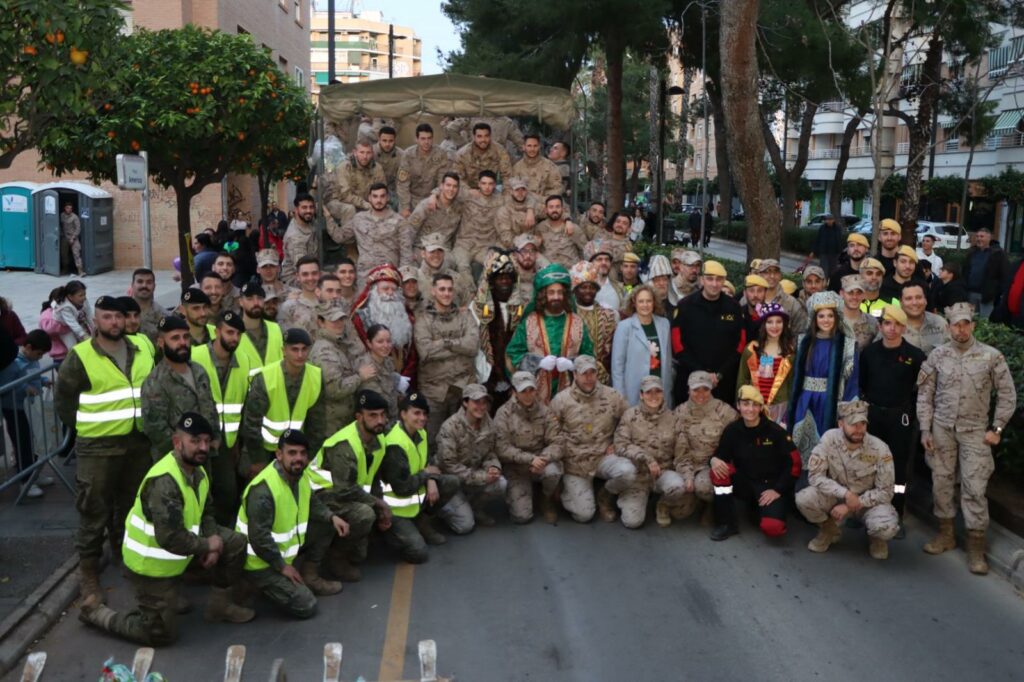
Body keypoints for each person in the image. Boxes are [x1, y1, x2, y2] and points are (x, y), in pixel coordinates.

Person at [78, 413, 253, 644]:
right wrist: (206, 545)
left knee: (235, 542)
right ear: (177, 443)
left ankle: (219, 606)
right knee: (159, 635)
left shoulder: (197, 471)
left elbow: (206, 511)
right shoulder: (165, 482)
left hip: (178, 554)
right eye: (195, 441)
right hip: (150, 566)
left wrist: (211, 539)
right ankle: (97, 614)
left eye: (206, 441)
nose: (202, 447)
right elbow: (170, 538)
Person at [54, 296, 155, 606]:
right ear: (95, 321)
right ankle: (88, 573)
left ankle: (125, 556)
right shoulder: (81, 356)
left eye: (118, 317)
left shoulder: (142, 346)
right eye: (107, 317)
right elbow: (64, 402)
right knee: (93, 509)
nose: (114, 322)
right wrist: (87, 428)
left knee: (130, 506)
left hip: (137, 443)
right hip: (98, 447)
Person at [917, 302, 1016, 574]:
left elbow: (1008, 395)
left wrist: (996, 429)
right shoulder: (937, 356)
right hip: (942, 430)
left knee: (974, 487)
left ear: (972, 325)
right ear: (948, 327)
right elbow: (925, 395)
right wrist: (925, 429)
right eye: (955, 324)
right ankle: (945, 534)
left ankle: (976, 548)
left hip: (975, 432)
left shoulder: (991, 357)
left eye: (965, 324)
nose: (960, 329)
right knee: (941, 482)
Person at [236, 429, 351, 619]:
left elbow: (312, 502)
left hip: (282, 553)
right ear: (279, 454)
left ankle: (310, 576)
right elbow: (259, 538)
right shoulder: (263, 490)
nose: (298, 458)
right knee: (306, 605)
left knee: (327, 525)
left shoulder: (300, 476)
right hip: (260, 562)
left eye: (302, 453)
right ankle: (253, 584)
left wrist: (332, 517)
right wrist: (282, 567)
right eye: (292, 453)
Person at [305, 391, 392, 583]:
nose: (380, 420)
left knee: (361, 554)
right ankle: (335, 558)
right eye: (372, 415)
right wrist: (379, 505)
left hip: (346, 494)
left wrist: (382, 504)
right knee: (365, 514)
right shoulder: (345, 444)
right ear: (359, 417)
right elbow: (344, 489)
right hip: (321, 496)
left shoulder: (379, 439)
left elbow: (373, 478)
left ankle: (349, 546)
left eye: (382, 415)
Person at [796, 400, 898, 559]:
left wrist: (851, 505)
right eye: (853, 424)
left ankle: (876, 538)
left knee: (886, 527)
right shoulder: (829, 438)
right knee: (804, 499)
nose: (859, 429)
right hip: (835, 498)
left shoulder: (880, 449)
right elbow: (815, 476)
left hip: (867, 503)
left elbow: (886, 491)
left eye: (862, 424)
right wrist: (846, 495)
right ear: (841, 424)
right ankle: (828, 528)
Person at [858, 305, 925, 531]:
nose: (892, 328)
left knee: (898, 466)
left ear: (904, 328)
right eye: (887, 323)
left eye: (897, 324)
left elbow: (922, 391)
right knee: (867, 461)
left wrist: (911, 413)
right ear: (880, 326)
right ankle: (863, 509)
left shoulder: (915, 356)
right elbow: (863, 384)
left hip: (900, 419)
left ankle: (897, 510)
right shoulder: (870, 353)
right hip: (873, 415)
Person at [707, 385, 801, 541]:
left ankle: (770, 508)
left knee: (772, 528)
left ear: (760, 407)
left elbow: (794, 464)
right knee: (718, 471)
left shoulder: (776, 432)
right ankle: (726, 523)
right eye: (745, 404)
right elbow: (721, 454)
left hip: (770, 486)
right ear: (738, 406)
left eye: (754, 405)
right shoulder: (732, 430)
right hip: (745, 482)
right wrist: (714, 459)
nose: (749, 409)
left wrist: (778, 490)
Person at [550, 355, 633, 523]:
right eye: (584, 373)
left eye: (592, 372)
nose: (589, 378)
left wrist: (617, 443)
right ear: (575, 375)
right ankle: (569, 489)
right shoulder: (561, 400)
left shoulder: (612, 396)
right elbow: (551, 434)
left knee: (627, 472)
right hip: (575, 464)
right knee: (584, 515)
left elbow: (630, 420)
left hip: (603, 457)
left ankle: (605, 495)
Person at [190, 311, 254, 525]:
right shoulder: (196, 356)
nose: (234, 338)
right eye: (229, 332)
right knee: (199, 494)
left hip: (227, 443)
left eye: (238, 334)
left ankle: (223, 537)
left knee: (227, 493)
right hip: (197, 439)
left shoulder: (244, 360)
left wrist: (239, 442)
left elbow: (245, 402)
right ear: (217, 332)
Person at [379, 393, 462, 557]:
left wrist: (430, 479)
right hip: (395, 509)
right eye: (416, 413)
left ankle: (422, 521)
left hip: (415, 495)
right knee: (419, 553)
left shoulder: (421, 433)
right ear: (403, 414)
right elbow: (402, 488)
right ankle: (390, 535)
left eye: (424, 414)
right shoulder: (395, 443)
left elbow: (428, 461)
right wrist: (426, 474)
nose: (422, 418)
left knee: (451, 482)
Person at [240, 328, 326, 480]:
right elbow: (251, 423)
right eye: (294, 349)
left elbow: (317, 425)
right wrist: (257, 460)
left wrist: (307, 456)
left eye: (304, 349)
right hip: (264, 450)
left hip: (295, 451)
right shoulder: (266, 377)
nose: (300, 355)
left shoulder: (316, 377)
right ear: (284, 350)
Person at [788, 291, 860, 467]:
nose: (826, 320)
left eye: (830, 316)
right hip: (805, 400)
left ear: (837, 318)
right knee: (799, 448)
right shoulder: (803, 341)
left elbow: (853, 380)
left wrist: (847, 410)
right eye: (821, 316)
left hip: (830, 400)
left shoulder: (848, 345)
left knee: (827, 448)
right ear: (814, 318)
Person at [505, 264, 594, 403]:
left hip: (572, 399)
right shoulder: (529, 322)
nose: (556, 297)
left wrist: (573, 364)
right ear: (543, 295)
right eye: (551, 292)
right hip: (535, 399)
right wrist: (537, 363)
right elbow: (512, 355)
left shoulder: (578, 323)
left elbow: (589, 356)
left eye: (560, 292)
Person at [141, 315, 219, 461]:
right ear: (161, 343)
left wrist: (214, 438)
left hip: (205, 455)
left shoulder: (199, 371)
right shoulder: (155, 381)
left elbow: (210, 407)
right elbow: (155, 429)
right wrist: (187, 451)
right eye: (175, 338)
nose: (183, 343)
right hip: (175, 460)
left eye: (186, 337)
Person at [614, 376, 686, 528]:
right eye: (648, 392)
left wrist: (689, 476)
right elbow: (620, 444)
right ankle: (622, 495)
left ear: (663, 393)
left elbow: (682, 454)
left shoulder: (674, 418)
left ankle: (663, 505)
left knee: (679, 486)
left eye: (657, 391)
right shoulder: (630, 415)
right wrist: (646, 457)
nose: (653, 396)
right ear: (641, 395)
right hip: (637, 476)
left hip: (663, 473)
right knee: (632, 522)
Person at [671, 260, 746, 405]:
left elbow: (740, 345)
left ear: (724, 281)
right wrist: (701, 373)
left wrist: (719, 373)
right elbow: (677, 345)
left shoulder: (734, 308)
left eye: (719, 279)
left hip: (722, 383)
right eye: (710, 278)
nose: (714, 283)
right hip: (689, 380)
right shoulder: (685, 306)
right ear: (702, 280)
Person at [415, 273, 480, 441]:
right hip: (434, 391)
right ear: (433, 291)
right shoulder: (423, 319)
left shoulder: (465, 316)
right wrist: (460, 345)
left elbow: (472, 347)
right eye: (442, 289)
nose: (446, 293)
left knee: (464, 440)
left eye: (450, 289)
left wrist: (445, 342)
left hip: (463, 387)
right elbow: (426, 352)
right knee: (432, 441)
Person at [436, 384, 506, 532]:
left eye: (484, 402)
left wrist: (493, 467)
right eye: (476, 402)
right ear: (465, 403)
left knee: (500, 483)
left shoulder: (489, 424)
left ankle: (474, 508)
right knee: (464, 526)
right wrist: (482, 477)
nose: (481, 407)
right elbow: (449, 466)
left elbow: (490, 453)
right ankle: (442, 508)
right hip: (451, 481)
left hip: (473, 475)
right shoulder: (450, 427)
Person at [493, 371, 562, 524]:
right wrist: (530, 459)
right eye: (523, 391)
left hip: (541, 463)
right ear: (514, 392)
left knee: (553, 472)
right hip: (516, 468)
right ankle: (524, 493)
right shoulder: (503, 414)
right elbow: (501, 448)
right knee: (522, 517)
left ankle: (546, 498)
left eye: (531, 390)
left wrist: (543, 459)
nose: (528, 394)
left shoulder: (545, 411)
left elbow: (557, 442)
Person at [672, 372, 739, 524]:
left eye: (705, 389)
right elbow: (679, 450)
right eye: (696, 390)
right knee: (679, 513)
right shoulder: (679, 413)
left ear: (711, 390)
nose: (701, 394)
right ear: (688, 390)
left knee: (704, 488)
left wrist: (722, 459)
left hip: (710, 467)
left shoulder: (725, 412)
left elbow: (736, 439)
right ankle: (692, 498)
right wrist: (687, 475)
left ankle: (710, 505)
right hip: (686, 464)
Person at [0, 330, 53, 498]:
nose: (40, 358)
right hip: (15, 409)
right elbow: (8, 385)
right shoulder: (13, 362)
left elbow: (33, 377)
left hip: (30, 408)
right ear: (28, 347)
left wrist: (44, 381)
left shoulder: (32, 361)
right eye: (39, 354)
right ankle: (26, 481)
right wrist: (25, 388)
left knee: (35, 441)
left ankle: (34, 473)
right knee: (23, 444)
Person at [333, 183, 414, 285]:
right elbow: (339, 237)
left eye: (382, 196)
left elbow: (406, 254)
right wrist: (327, 217)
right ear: (369, 198)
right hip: (365, 276)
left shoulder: (399, 221)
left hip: (389, 274)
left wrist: (402, 278)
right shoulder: (359, 219)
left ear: (388, 198)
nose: (379, 200)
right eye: (375, 196)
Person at [350, 264, 417, 380]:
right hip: (375, 378)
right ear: (374, 292)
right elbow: (360, 355)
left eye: (394, 289)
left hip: (406, 380)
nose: (390, 293)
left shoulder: (407, 318)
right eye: (385, 289)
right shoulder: (360, 319)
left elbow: (412, 355)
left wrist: (405, 378)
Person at [611, 284, 673, 407]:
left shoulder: (664, 324)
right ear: (634, 303)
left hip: (660, 388)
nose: (645, 305)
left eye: (649, 301)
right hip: (635, 390)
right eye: (641, 301)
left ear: (654, 302)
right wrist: (621, 397)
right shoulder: (624, 327)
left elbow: (668, 362)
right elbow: (617, 367)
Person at [737, 302, 796, 426]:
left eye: (779, 321)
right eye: (769, 322)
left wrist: (790, 410)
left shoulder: (791, 353)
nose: (774, 326)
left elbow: (792, 384)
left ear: (784, 324)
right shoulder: (751, 349)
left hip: (781, 409)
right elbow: (742, 380)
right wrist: (741, 406)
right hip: (753, 408)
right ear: (763, 324)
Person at [309, 302, 363, 430]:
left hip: (339, 421)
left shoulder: (335, 344)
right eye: (333, 320)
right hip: (330, 424)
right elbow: (334, 389)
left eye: (341, 319)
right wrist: (360, 377)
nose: (339, 324)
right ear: (321, 322)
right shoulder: (324, 351)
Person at [323, 139, 387, 233]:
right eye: (362, 152)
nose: (365, 156)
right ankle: (349, 244)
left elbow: (382, 190)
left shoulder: (377, 168)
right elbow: (345, 195)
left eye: (368, 153)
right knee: (349, 210)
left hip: (365, 203)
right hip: (338, 201)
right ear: (355, 152)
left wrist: (375, 203)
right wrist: (366, 204)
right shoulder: (344, 167)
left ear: (372, 153)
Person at [570, 261, 618, 382]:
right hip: (572, 376)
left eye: (592, 287)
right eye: (583, 287)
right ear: (575, 290)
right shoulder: (569, 315)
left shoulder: (608, 316)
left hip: (601, 377)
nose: (588, 291)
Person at [452, 170, 505, 277]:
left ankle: (483, 293)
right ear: (478, 184)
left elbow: (521, 198)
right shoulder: (469, 195)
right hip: (464, 244)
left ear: (495, 185)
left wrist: (530, 209)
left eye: (490, 184)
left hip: (485, 246)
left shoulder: (500, 200)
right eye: (484, 183)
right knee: (463, 269)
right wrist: (433, 196)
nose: (487, 187)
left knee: (496, 268)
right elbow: (445, 189)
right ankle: (469, 293)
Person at [398, 123, 451, 218]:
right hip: (411, 199)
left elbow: (442, 181)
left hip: (433, 197)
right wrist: (405, 207)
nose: (426, 142)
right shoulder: (408, 155)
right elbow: (403, 184)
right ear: (416, 139)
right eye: (423, 139)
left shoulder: (441, 154)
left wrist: (435, 196)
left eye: (429, 138)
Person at [407, 172, 464, 253]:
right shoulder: (427, 205)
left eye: (455, 186)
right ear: (441, 186)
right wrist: (408, 254)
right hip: (423, 248)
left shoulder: (458, 208)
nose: (451, 189)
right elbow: (410, 230)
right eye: (448, 185)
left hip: (444, 250)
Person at [357, 324, 404, 419]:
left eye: (388, 341)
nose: (386, 345)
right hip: (378, 420)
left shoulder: (387, 362)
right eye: (380, 341)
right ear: (369, 343)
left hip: (392, 415)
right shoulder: (366, 366)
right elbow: (375, 402)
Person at [235, 282, 284, 372]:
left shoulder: (275, 328)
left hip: (274, 384)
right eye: (250, 299)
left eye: (260, 298)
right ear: (241, 302)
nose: (256, 303)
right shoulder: (233, 331)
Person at [962, 226, 1010, 318]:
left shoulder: (998, 254)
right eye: (977, 236)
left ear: (989, 238)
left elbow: (1004, 274)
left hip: (987, 295)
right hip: (970, 293)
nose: (979, 239)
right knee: (971, 321)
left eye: (982, 236)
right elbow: (965, 271)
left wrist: (997, 292)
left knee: (984, 322)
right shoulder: (972, 252)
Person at [754, 259, 808, 334]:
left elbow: (801, 332)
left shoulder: (791, 303)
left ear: (780, 275)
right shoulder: (751, 299)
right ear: (759, 275)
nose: (772, 276)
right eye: (767, 272)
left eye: (775, 272)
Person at [453, 122, 513, 189]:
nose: (483, 140)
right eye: (479, 136)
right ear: (474, 137)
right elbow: (457, 178)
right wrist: (469, 192)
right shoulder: (462, 154)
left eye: (486, 136)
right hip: (470, 190)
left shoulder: (500, 151)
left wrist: (505, 193)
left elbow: (507, 176)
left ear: (490, 136)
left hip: (491, 189)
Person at [534, 195, 587, 268]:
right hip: (548, 273)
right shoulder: (540, 228)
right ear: (546, 210)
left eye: (557, 206)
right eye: (551, 207)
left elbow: (585, 251)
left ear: (562, 209)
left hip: (570, 273)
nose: (554, 210)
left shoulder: (573, 228)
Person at [279, 194, 319, 286]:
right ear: (296, 210)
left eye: (311, 207)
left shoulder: (307, 221)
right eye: (304, 208)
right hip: (296, 281)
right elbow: (304, 268)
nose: (308, 211)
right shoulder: (295, 237)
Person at [900, 281, 950, 353]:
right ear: (901, 302)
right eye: (908, 298)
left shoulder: (939, 323)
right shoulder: (893, 326)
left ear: (925, 300)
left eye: (919, 297)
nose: (914, 303)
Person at [277, 257, 322, 336]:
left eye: (314, 273)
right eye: (305, 274)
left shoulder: (329, 303)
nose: (310, 278)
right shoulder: (287, 308)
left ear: (320, 274)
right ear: (297, 276)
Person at [512, 133, 562, 203]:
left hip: (545, 204)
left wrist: (542, 199)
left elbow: (557, 189)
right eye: (529, 146)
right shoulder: (517, 168)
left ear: (539, 147)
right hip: (523, 205)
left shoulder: (550, 166)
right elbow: (513, 190)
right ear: (524, 147)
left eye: (535, 146)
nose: (532, 149)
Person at [838, 274, 879, 351]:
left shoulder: (872, 322)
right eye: (850, 293)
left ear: (864, 295)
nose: (855, 297)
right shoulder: (832, 320)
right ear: (842, 294)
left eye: (859, 293)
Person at [496, 177, 538, 249]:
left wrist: (565, 219)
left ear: (527, 191)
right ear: (511, 191)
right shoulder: (504, 210)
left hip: (531, 249)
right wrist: (528, 242)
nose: (520, 193)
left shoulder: (533, 206)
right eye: (517, 190)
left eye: (523, 189)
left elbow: (552, 210)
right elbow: (506, 239)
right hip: (511, 249)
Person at [51, 280, 92, 351]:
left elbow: (89, 315)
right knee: (73, 347)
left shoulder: (84, 300)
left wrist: (96, 329)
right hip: (63, 326)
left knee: (87, 341)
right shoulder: (64, 307)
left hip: (76, 319)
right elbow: (72, 323)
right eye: (80, 295)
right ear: (70, 297)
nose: (84, 297)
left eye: (84, 294)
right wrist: (84, 335)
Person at [130, 269, 162, 342]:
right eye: (140, 281)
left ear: (154, 286)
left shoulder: (164, 316)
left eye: (149, 282)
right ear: (132, 285)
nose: (144, 285)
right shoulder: (119, 313)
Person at [374, 125, 403, 195]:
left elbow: (402, 179)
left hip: (393, 190)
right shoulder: (370, 152)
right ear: (379, 139)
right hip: (374, 188)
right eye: (384, 140)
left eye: (391, 141)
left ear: (395, 140)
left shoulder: (401, 155)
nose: (387, 144)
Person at [60, 203, 85, 275]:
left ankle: (80, 270)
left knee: (76, 253)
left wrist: (73, 238)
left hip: (73, 237)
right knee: (64, 254)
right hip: (65, 237)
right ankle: (65, 269)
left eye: (70, 208)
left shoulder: (74, 217)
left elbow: (78, 228)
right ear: (65, 208)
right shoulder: (62, 215)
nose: (69, 209)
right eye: (68, 208)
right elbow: (60, 225)